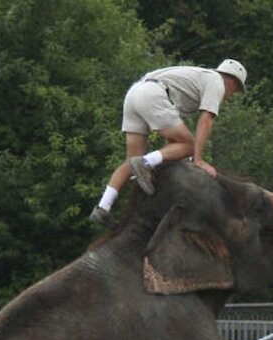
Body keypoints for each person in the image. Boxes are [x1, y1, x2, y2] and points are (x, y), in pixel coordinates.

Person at [90, 59, 247, 225]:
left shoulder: (195, 78)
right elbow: (206, 120)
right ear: (231, 82)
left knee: (131, 164)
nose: (230, 96)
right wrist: (198, 160)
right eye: (235, 91)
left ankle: (103, 207)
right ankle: (145, 163)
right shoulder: (217, 82)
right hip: (153, 94)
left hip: (134, 93)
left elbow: (172, 140)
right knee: (189, 146)